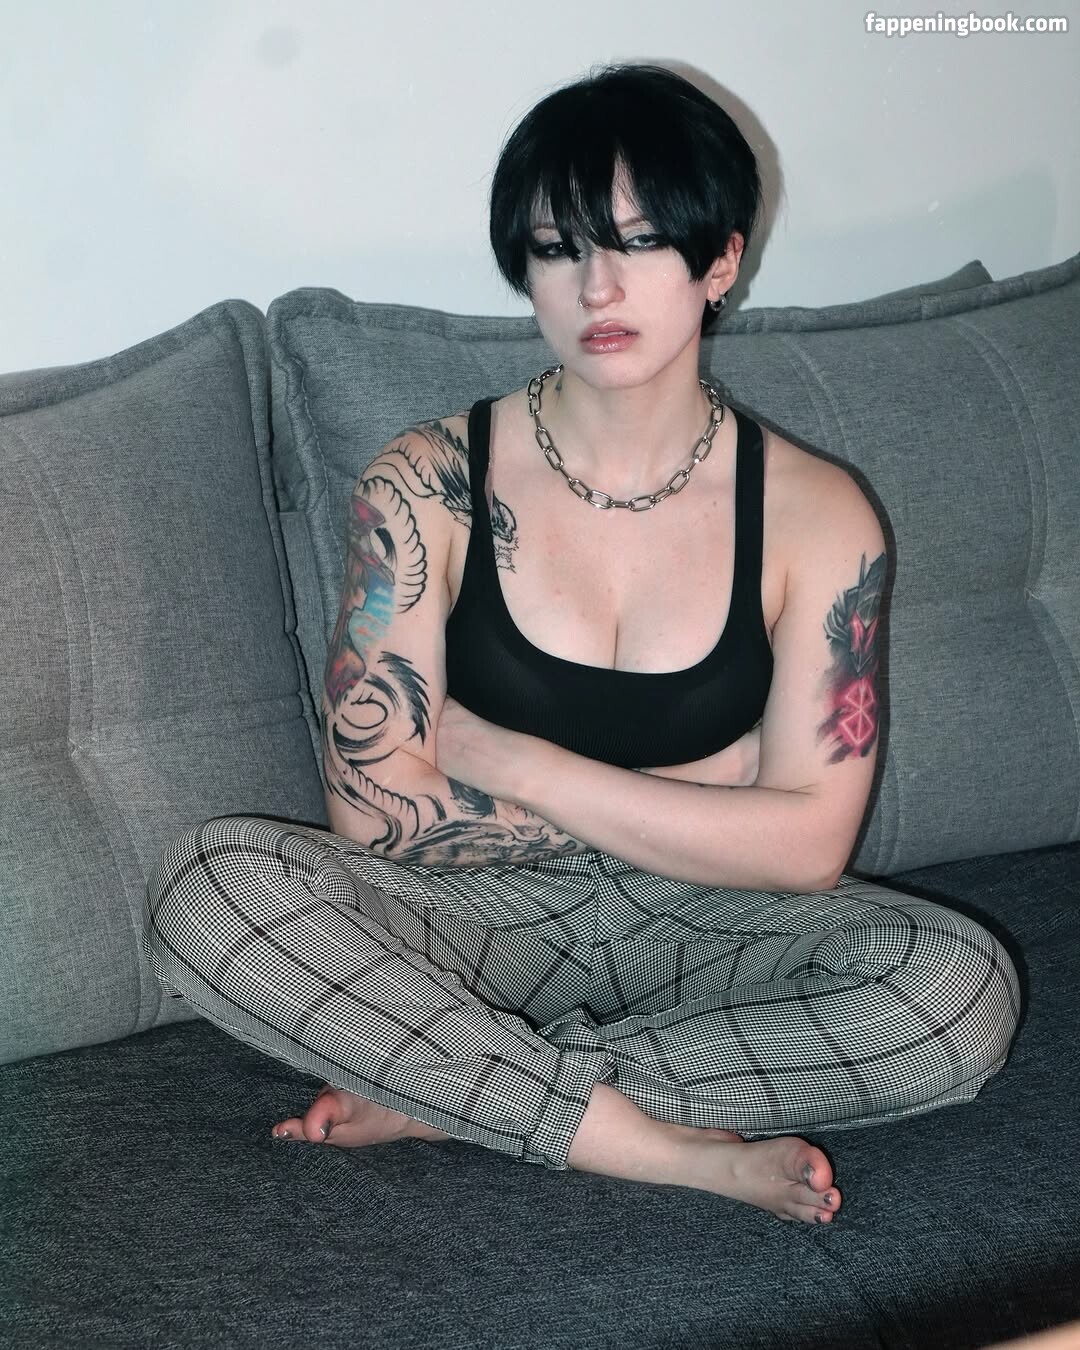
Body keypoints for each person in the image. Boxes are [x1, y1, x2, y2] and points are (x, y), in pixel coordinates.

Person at [145, 64, 1019, 1225]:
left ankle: (458, 1090)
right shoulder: (426, 483)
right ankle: (660, 1147)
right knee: (205, 884)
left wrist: (513, 760)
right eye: (559, 249)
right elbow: (377, 818)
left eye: (642, 241)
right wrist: (707, 794)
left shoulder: (818, 516)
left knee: (959, 987)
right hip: (477, 924)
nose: (598, 285)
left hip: (705, 921)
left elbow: (810, 847)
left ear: (720, 262)